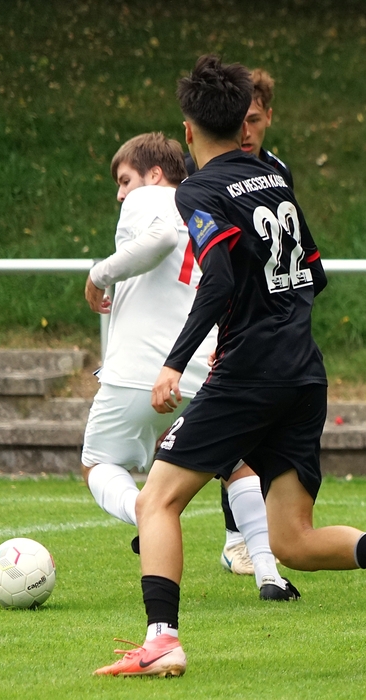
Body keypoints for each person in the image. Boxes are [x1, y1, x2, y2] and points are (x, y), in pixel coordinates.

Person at [95, 55, 366, 679]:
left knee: (157, 501)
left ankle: (161, 640)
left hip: (249, 372)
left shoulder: (197, 190)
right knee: (292, 541)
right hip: (303, 369)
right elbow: (314, 272)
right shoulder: (274, 176)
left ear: (188, 130)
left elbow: (220, 279)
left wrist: (175, 363)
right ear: (244, 122)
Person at [81, 132, 290, 600]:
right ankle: (269, 573)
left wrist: (98, 273)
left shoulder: (150, 198)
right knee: (236, 466)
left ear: (155, 174)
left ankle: (145, 514)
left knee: (97, 464)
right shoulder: (209, 202)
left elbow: (157, 239)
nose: (121, 194)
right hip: (204, 365)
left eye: (125, 180)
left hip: (142, 369)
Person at [184, 67, 294, 579]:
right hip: (213, 309)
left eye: (255, 120)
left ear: (268, 117)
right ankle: (238, 538)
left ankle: (266, 538)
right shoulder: (197, 174)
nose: (246, 131)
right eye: (240, 120)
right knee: (228, 429)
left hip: (263, 322)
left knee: (257, 431)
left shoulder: (276, 171)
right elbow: (214, 267)